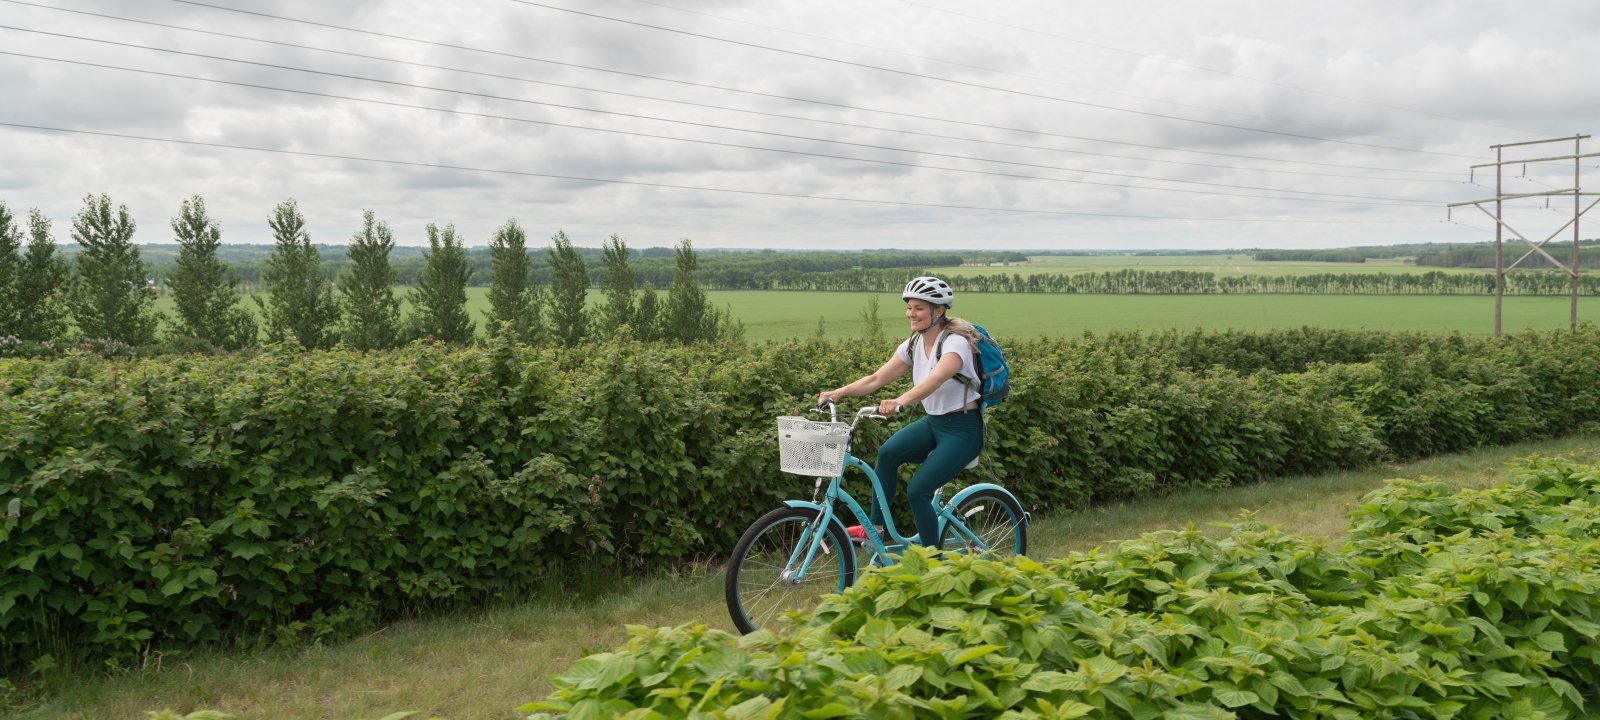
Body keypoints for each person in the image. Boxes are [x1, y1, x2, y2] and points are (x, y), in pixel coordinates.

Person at [816, 276, 984, 546]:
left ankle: (932, 561)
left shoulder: (955, 343)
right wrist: (839, 392)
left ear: (937, 311)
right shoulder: (914, 344)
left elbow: (937, 378)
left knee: (918, 490)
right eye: (909, 307)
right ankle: (876, 529)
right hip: (934, 424)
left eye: (919, 308)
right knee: (888, 453)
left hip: (963, 430)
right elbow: (876, 379)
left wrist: (901, 400)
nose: (911, 313)